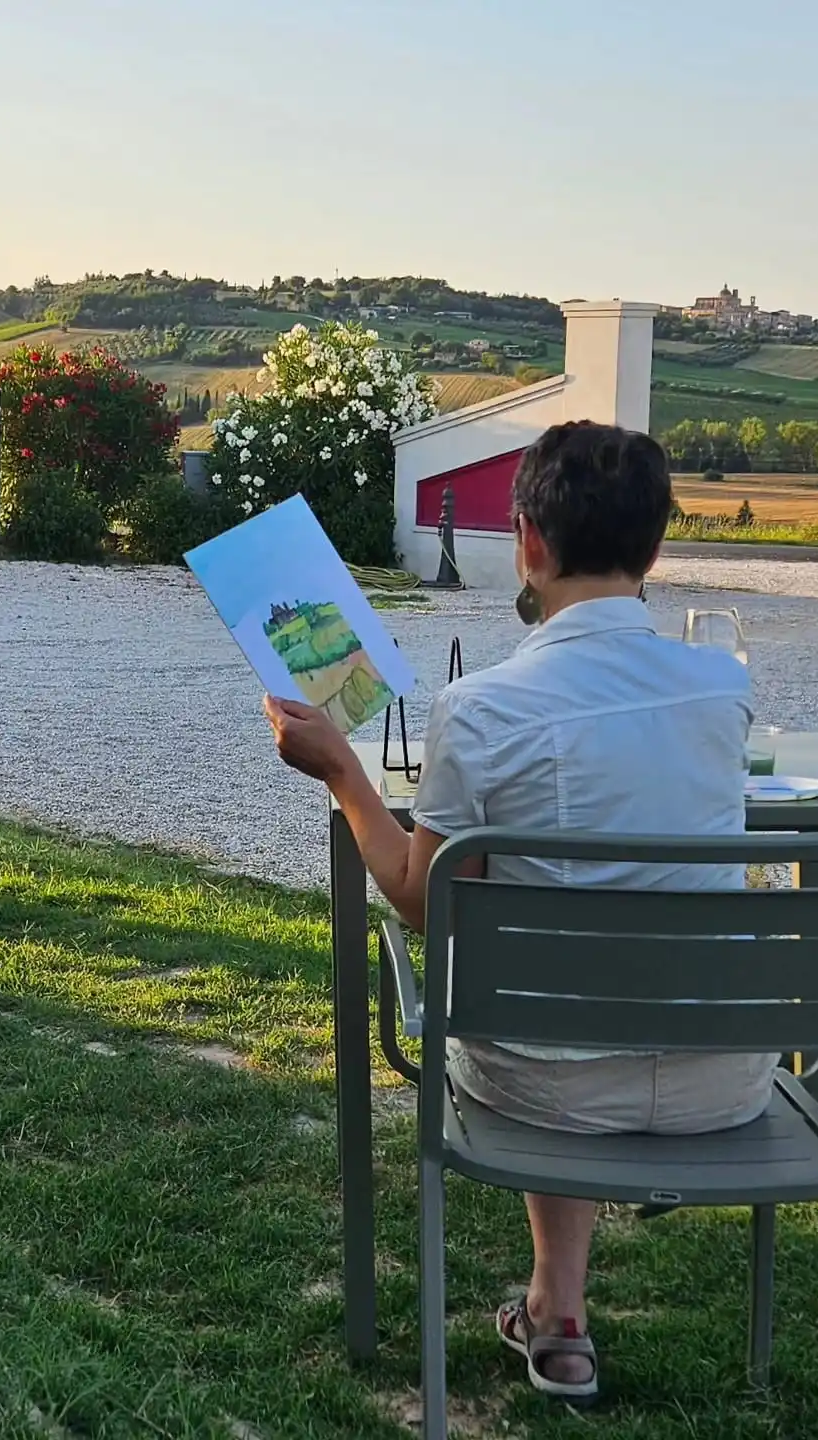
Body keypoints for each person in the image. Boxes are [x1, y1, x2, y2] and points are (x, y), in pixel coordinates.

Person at [265, 421, 771, 1404]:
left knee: (554, 1001)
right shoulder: (724, 690)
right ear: (656, 549)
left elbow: (419, 899)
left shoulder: (483, 708)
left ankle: (558, 1307)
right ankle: (558, 1310)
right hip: (728, 1083)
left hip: (549, 1089)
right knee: (595, 975)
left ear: (527, 539)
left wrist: (341, 775)